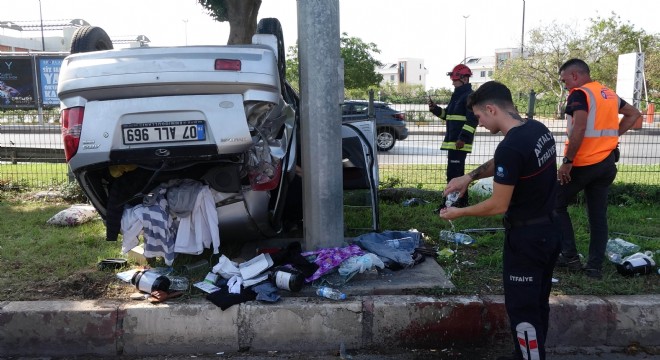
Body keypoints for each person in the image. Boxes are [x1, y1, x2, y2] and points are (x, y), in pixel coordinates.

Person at [440, 81, 560, 360]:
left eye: (479, 117)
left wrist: (458, 212)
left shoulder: (511, 146)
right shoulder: (536, 129)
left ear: (491, 109)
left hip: (527, 241)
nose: (479, 123)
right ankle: (530, 354)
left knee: (523, 311)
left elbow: (498, 204)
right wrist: (468, 177)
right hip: (550, 231)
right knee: (538, 304)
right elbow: (505, 160)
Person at [555, 58, 642, 279]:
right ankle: (594, 268)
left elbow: (580, 127)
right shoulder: (607, 93)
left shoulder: (579, 94)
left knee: (554, 203)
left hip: (583, 163)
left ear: (575, 76)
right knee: (597, 216)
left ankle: (570, 256)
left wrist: (567, 162)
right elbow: (633, 114)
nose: (564, 84)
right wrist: (613, 137)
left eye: (564, 79)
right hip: (606, 163)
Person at [428, 64, 478, 208]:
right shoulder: (457, 95)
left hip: (459, 143)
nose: (452, 82)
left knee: (454, 175)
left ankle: (452, 205)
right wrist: (435, 110)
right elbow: (447, 115)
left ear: (464, 78)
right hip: (453, 142)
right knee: (455, 174)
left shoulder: (469, 96)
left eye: (455, 79)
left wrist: (463, 138)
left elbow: (472, 119)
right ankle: (459, 203)